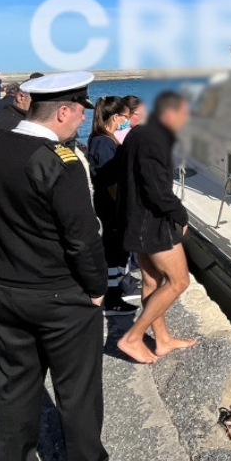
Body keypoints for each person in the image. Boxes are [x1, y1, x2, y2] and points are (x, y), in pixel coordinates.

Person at [0, 72, 123, 461]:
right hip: (60, 295)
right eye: (79, 111)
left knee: (15, 386)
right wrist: (97, 287)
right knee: (78, 391)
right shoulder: (59, 161)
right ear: (62, 112)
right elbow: (82, 237)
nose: (82, 119)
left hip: (8, 290)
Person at [116, 91, 197, 364]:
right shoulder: (155, 139)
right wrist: (181, 216)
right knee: (179, 281)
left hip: (136, 221)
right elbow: (157, 191)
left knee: (152, 281)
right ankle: (133, 337)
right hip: (152, 224)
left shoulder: (138, 133)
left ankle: (161, 339)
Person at [86, 96, 138, 316]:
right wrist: (125, 208)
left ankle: (118, 290)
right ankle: (112, 298)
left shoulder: (102, 138)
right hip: (111, 206)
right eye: (125, 116)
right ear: (115, 117)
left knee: (116, 249)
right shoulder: (104, 143)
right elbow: (111, 182)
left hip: (107, 204)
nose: (127, 120)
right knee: (114, 251)